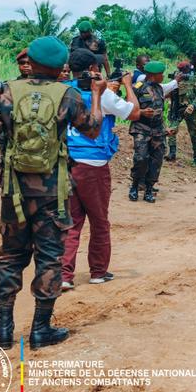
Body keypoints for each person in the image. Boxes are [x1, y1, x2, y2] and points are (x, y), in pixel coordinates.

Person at [0, 36, 104, 351]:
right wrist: (95, 94)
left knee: (10, 256)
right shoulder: (67, 94)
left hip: (14, 190)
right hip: (53, 192)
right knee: (50, 257)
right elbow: (92, 129)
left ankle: (4, 329)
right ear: (60, 66)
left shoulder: (7, 92)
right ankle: (40, 329)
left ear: (30, 62)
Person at [61, 49, 140, 290]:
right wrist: (127, 85)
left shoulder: (63, 90)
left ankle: (64, 275)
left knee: (71, 222)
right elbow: (134, 112)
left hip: (67, 161)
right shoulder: (102, 94)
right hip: (93, 164)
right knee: (99, 220)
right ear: (94, 69)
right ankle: (98, 271)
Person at [128, 61, 181, 203]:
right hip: (141, 128)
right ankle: (134, 186)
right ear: (152, 75)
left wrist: (165, 129)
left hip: (157, 130)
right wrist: (141, 112)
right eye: (160, 74)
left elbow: (160, 112)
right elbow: (128, 109)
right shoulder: (137, 88)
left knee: (156, 160)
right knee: (141, 158)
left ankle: (149, 189)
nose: (163, 76)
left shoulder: (159, 89)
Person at [166, 61, 196, 165]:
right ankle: (172, 153)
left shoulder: (193, 80)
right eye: (180, 70)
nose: (181, 72)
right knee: (172, 129)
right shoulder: (175, 80)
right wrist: (169, 103)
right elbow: (170, 93)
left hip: (189, 109)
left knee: (193, 133)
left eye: (184, 70)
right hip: (177, 109)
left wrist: (193, 105)